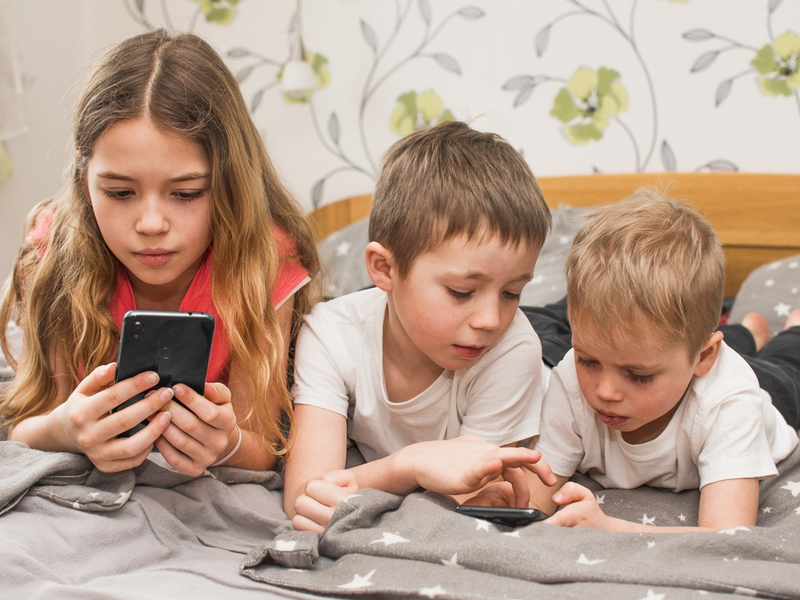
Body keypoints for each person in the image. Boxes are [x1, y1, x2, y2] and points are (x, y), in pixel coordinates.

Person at [0, 30, 320, 476]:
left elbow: (261, 446)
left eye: (186, 194)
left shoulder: (265, 262)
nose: (151, 224)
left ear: (230, 181)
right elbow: (23, 428)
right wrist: (64, 431)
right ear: (82, 178)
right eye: (119, 191)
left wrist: (225, 444)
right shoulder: (54, 251)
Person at [284, 121, 558, 533]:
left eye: (512, 292)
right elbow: (304, 496)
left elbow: (473, 495)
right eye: (461, 291)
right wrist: (408, 464)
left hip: (551, 343)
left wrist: (371, 480)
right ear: (384, 268)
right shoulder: (329, 334)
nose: (490, 320)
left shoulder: (512, 346)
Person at [476, 188, 799, 533]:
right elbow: (541, 489)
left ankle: (788, 329)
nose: (606, 391)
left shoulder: (730, 402)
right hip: (684, 363)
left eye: (638, 375)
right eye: (588, 360)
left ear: (704, 356)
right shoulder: (571, 379)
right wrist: (507, 502)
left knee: (787, 365)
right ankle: (747, 330)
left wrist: (608, 528)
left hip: (772, 390)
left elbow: (725, 535)